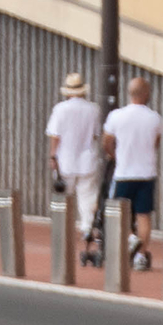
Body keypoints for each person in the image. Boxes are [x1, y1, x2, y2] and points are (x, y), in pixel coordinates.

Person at [101, 77, 163, 273]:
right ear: (146, 94)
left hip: (123, 172)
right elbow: (156, 143)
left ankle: (131, 239)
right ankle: (140, 257)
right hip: (147, 172)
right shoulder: (155, 118)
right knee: (143, 215)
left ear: (130, 93)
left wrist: (115, 155)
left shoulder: (116, 116)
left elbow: (106, 141)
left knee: (118, 212)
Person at [44, 73, 101, 236]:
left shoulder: (60, 109)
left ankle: (63, 228)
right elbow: (96, 135)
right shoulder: (94, 109)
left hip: (65, 159)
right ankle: (87, 227)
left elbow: (55, 136)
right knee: (88, 195)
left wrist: (53, 156)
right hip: (87, 158)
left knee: (64, 196)